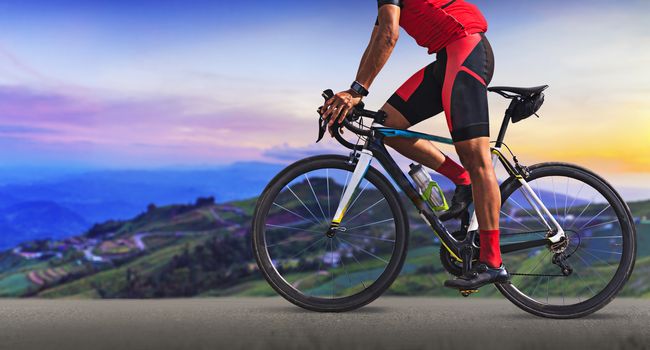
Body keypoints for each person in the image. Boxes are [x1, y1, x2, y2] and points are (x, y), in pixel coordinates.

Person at [320, 0, 508, 290]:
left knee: (475, 156)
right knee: (387, 128)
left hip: (466, 49)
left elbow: (389, 36)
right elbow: (377, 38)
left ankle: (493, 263)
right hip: (447, 57)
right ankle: (463, 180)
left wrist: (357, 91)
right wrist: (353, 93)